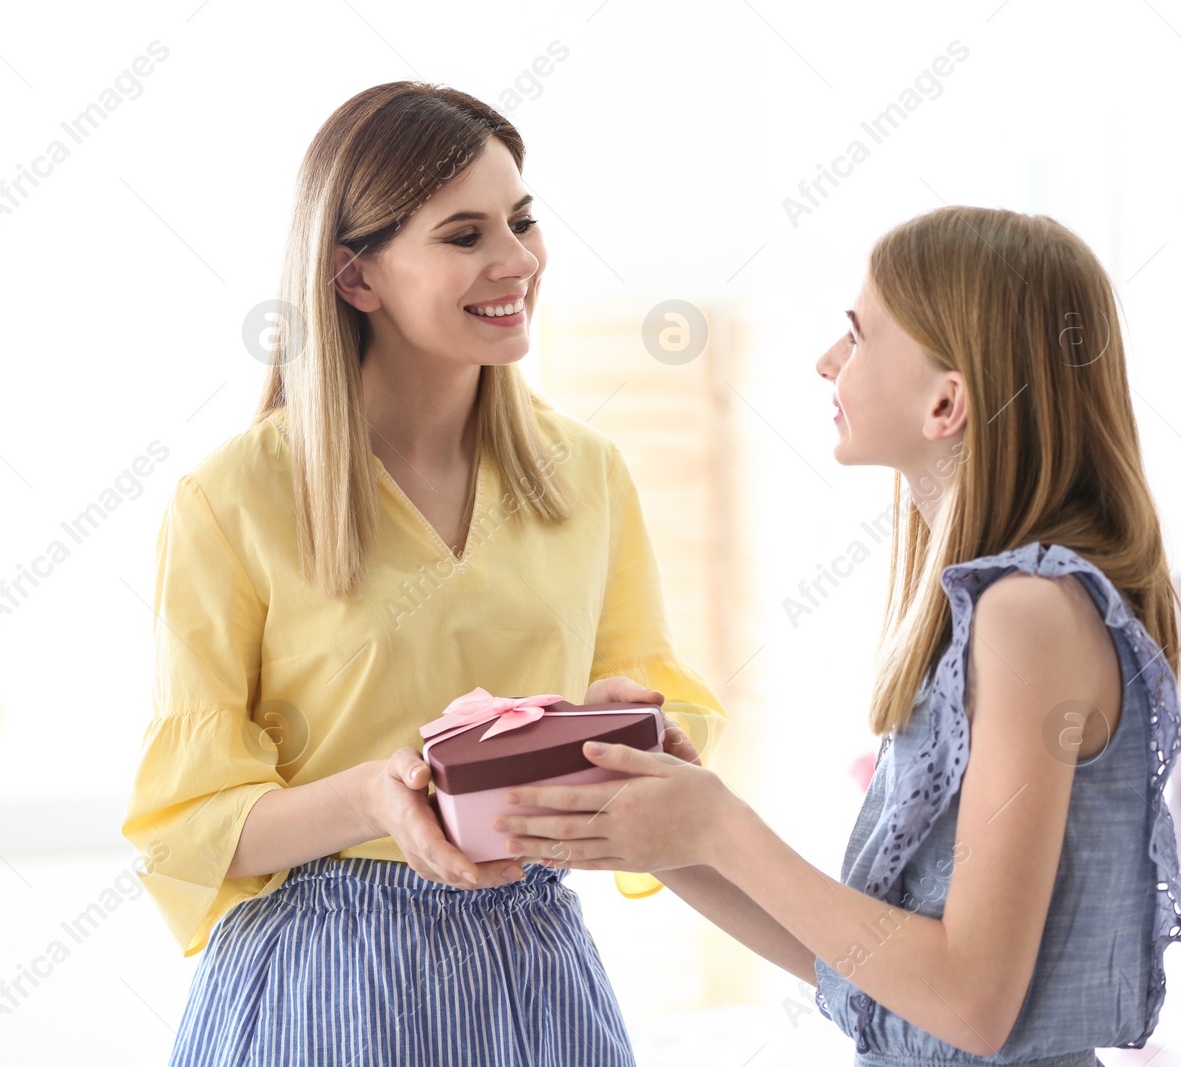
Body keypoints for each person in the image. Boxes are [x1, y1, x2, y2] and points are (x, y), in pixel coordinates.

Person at [120, 81, 728, 1067]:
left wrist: (640, 731)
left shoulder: (587, 474)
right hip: (314, 979)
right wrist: (370, 798)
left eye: (522, 221)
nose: (518, 261)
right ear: (356, 279)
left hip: (530, 963)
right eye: (464, 235)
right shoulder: (231, 498)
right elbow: (190, 830)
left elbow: (663, 721)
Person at [500, 206, 1181, 1065]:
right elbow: (862, 974)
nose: (828, 362)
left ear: (946, 401)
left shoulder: (1030, 613)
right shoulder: (994, 613)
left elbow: (973, 1002)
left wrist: (723, 827)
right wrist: (671, 824)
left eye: (857, 336)